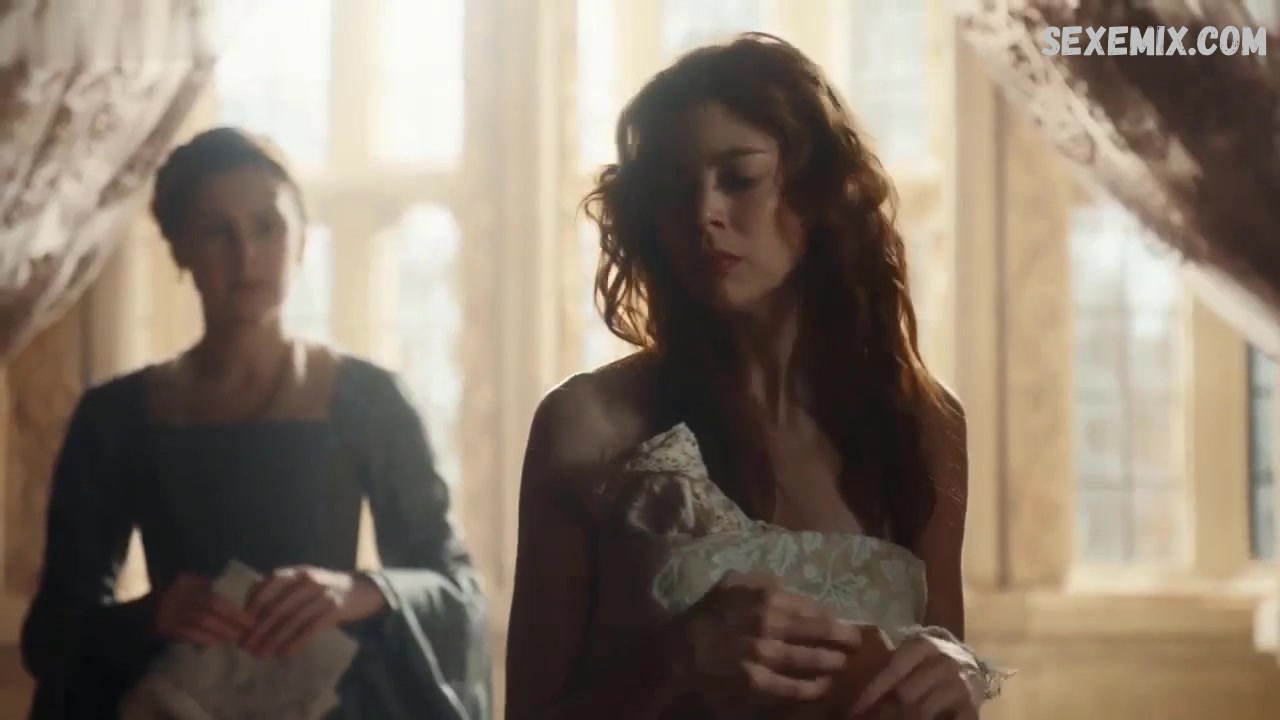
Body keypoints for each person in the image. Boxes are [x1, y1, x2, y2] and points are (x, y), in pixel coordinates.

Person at [506, 34, 1007, 719]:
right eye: (675, 188)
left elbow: (934, 672)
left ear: (818, 191)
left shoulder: (921, 424)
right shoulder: (587, 425)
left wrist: (960, 671)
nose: (704, 213)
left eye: (739, 180)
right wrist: (675, 665)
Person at [20, 127, 490, 720]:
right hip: (179, 702)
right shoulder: (115, 416)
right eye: (217, 232)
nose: (246, 256)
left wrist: (359, 591)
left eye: (267, 227)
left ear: (301, 239)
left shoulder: (370, 401)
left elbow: (455, 589)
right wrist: (154, 613)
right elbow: (51, 634)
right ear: (179, 248)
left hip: (336, 704)